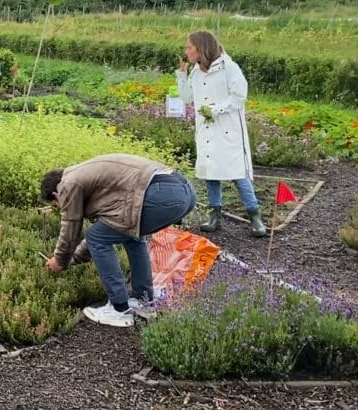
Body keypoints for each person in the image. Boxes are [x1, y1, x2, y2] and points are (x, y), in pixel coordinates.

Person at [41, 154, 196, 328]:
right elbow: (107, 229)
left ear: (56, 194)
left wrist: (60, 260)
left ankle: (118, 308)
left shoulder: (68, 184)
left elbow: (71, 225)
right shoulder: (85, 175)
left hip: (161, 195)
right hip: (184, 191)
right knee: (131, 237)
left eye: (57, 205)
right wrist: (71, 259)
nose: (62, 207)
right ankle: (143, 301)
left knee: (96, 236)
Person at [176, 30, 264, 237]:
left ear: (201, 48)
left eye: (189, 47)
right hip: (206, 130)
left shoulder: (229, 68)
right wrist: (181, 75)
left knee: (237, 173)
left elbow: (239, 97)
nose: (186, 51)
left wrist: (215, 109)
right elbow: (187, 98)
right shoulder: (196, 72)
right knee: (210, 173)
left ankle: (255, 216)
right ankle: (214, 216)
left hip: (228, 130)